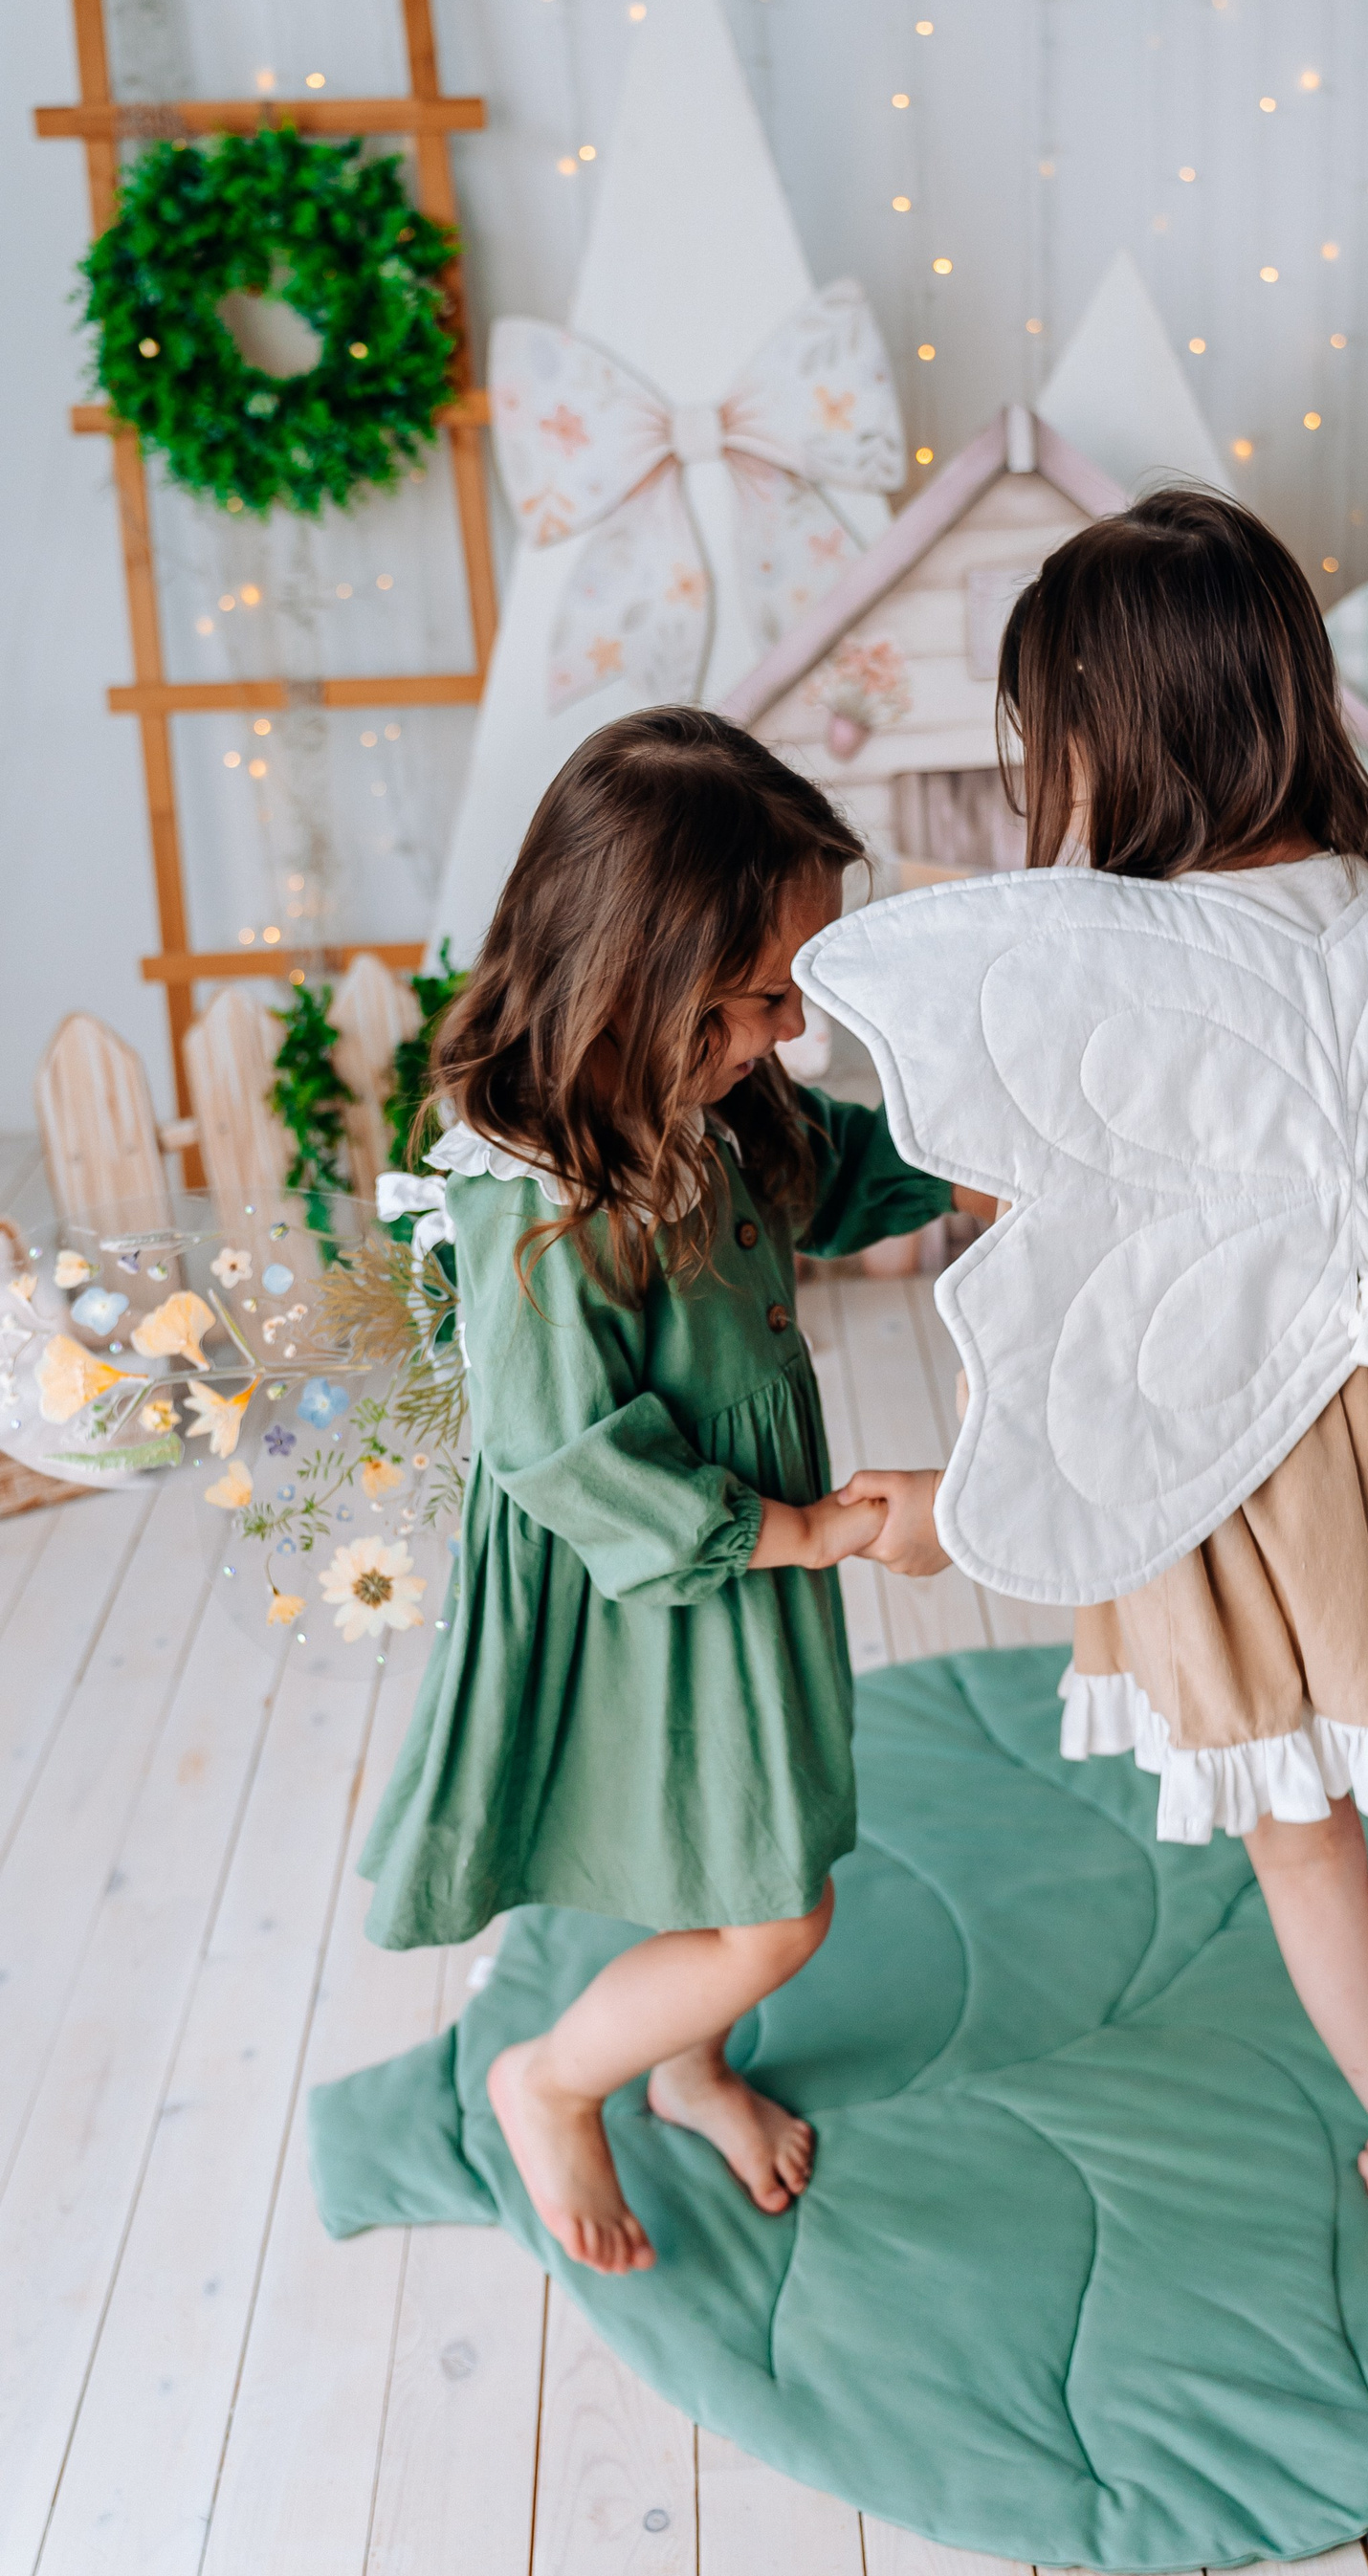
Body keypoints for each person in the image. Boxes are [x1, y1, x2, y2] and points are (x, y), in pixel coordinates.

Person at [856, 490, 1368, 2307]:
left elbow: (1031, 1252)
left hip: (1219, 1456)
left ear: (1102, 738)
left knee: (1302, 1845)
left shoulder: (1090, 968)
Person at [358, 708, 971, 2275]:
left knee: (725, 1841)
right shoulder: (540, 1196)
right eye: (766, 998)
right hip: (649, 1571)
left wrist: (972, 1166)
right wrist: (804, 1530)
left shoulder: (707, 1101)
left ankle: (687, 2064)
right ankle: (554, 2081)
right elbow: (566, 1453)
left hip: (724, 1558)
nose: (793, 1029)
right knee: (778, 1907)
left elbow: (836, 1170)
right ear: (645, 977)